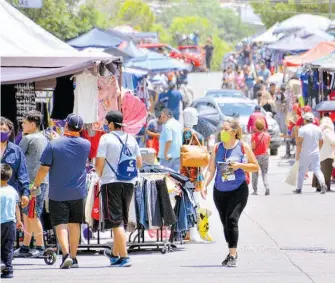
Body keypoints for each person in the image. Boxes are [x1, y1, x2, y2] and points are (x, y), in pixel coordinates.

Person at [32, 114, 90, 269]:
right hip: (78, 192)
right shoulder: (86, 144)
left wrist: (35, 185)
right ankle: (74, 257)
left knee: (60, 224)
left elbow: (44, 168)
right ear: (82, 128)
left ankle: (65, 255)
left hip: (58, 192)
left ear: (66, 126)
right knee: (75, 224)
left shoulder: (54, 144)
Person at [202, 120, 259, 267]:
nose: (223, 132)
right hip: (220, 191)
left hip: (238, 189)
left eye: (226, 129)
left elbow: (255, 167)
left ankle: (233, 255)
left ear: (234, 131)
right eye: (222, 129)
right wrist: (204, 185)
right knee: (225, 223)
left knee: (232, 219)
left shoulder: (242, 146)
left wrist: (239, 165)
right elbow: (211, 169)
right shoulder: (216, 148)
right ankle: (231, 250)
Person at [95, 110, 142, 267]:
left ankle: (125, 257)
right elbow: (139, 163)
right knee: (121, 220)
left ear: (110, 124)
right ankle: (115, 255)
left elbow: (99, 163)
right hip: (128, 182)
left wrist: (100, 176)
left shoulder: (106, 138)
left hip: (111, 182)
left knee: (116, 223)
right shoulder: (131, 139)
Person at [14, 111, 48, 257]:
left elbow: (16, 156)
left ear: (33, 125)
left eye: (25, 122)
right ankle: (25, 246)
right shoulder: (45, 138)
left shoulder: (28, 139)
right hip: (41, 181)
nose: (22, 125)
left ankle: (40, 246)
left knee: (32, 215)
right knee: (29, 214)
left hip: (31, 183)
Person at [295, 112, 327, 194]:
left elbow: (299, 143)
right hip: (315, 153)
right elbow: (321, 142)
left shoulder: (302, 129)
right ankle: (323, 184)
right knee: (317, 170)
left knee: (302, 170)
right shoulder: (318, 129)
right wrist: (318, 150)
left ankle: (299, 188)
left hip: (305, 153)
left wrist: (298, 155)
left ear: (305, 120)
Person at [1, 164, 23, 278]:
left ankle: (2, 263)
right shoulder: (13, 191)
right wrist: (19, 221)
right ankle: (8, 269)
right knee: (8, 247)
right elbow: (16, 207)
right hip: (11, 223)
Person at [0, 117, 30, 199]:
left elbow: (23, 173)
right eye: (0, 129)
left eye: (4, 129)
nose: (1, 131)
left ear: (9, 133)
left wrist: (25, 193)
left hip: (10, 195)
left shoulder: (16, 150)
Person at [312, 117, 335, 192]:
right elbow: (333, 141)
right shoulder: (327, 131)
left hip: (319, 152)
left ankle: (319, 186)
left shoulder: (319, 130)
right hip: (327, 153)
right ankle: (324, 186)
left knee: (320, 170)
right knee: (326, 170)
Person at [251, 119, 271, 196]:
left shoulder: (254, 136)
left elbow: (253, 147)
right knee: (264, 173)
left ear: (256, 127)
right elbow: (268, 145)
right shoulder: (267, 135)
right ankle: (267, 187)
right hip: (265, 155)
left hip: (256, 156)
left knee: (255, 173)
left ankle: (255, 190)